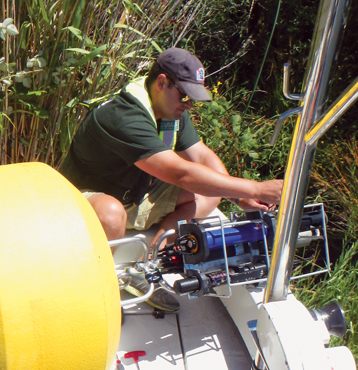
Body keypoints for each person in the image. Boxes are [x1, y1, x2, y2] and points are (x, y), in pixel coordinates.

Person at [60, 47, 282, 311]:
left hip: (133, 195)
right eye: (185, 95)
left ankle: (147, 265)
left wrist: (240, 196)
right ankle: (96, 291)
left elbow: (200, 156)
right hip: (79, 204)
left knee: (210, 191)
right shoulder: (123, 116)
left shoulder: (170, 111)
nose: (189, 105)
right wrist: (258, 187)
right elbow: (181, 172)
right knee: (111, 214)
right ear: (162, 83)